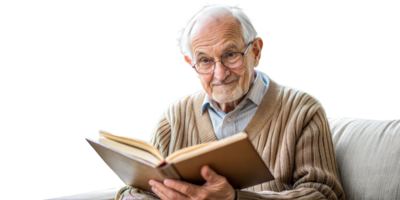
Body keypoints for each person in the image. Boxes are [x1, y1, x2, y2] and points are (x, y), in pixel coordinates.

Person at [116, 3, 345, 200]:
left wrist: (235, 198)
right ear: (190, 62)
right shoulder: (174, 116)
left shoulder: (302, 109)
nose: (220, 74)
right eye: (204, 60)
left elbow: (323, 194)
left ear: (256, 51)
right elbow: (133, 189)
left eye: (230, 55)